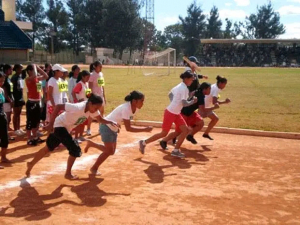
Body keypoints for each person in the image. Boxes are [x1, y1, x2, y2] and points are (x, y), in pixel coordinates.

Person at [25, 94, 118, 180]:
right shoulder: (77, 107)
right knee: (75, 149)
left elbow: (100, 119)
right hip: (59, 125)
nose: (96, 110)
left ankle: (31, 164)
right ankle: (68, 174)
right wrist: (51, 124)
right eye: (95, 107)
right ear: (90, 103)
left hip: (65, 128)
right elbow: (58, 106)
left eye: (98, 108)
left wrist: (110, 122)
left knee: (48, 148)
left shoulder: (92, 110)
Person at [84, 91, 152, 175]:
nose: (143, 103)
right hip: (106, 127)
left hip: (113, 128)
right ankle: (94, 168)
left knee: (111, 151)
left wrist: (118, 125)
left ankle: (92, 144)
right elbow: (129, 128)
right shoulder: (126, 108)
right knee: (109, 151)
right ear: (134, 101)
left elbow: (119, 118)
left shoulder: (135, 108)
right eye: (141, 101)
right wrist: (145, 129)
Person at [139, 71, 197, 158]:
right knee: (163, 133)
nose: (192, 81)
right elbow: (184, 104)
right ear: (186, 79)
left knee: (185, 130)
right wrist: (193, 101)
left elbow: (171, 94)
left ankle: (176, 150)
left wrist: (176, 102)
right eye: (191, 80)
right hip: (170, 113)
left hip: (175, 113)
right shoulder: (184, 88)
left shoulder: (180, 86)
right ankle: (143, 142)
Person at [160, 82, 217, 149]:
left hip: (191, 113)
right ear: (204, 89)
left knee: (200, 123)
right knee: (178, 131)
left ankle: (190, 135)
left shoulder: (197, 91)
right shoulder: (200, 96)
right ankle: (164, 141)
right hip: (184, 113)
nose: (210, 91)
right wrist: (214, 107)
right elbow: (202, 109)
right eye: (209, 89)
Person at [199, 75, 231, 140]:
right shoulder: (216, 89)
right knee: (193, 125)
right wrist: (225, 102)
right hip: (203, 107)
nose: (224, 87)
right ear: (220, 83)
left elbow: (214, 101)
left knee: (215, 119)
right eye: (224, 85)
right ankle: (177, 135)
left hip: (206, 106)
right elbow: (214, 102)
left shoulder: (214, 86)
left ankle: (206, 133)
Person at [25, 64, 48, 146]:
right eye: (33, 70)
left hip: (38, 102)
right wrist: (35, 67)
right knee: (30, 121)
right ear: (29, 71)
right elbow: (34, 75)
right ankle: (29, 139)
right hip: (31, 103)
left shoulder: (37, 79)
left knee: (37, 121)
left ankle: (34, 137)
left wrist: (38, 68)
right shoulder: (28, 79)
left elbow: (46, 76)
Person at [72, 70, 91, 142]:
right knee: (79, 122)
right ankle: (76, 137)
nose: (88, 78)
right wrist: (77, 100)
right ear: (82, 77)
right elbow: (73, 92)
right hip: (80, 106)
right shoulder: (80, 84)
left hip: (86, 105)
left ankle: (81, 135)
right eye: (87, 77)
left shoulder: (87, 84)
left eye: (89, 77)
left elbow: (88, 94)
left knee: (84, 121)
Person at [87, 61, 105, 136]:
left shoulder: (101, 74)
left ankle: (100, 128)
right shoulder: (91, 75)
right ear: (95, 66)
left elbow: (102, 86)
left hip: (100, 96)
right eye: (99, 66)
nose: (101, 68)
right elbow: (89, 86)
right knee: (92, 113)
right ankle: (88, 128)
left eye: (101, 66)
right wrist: (90, 96)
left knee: (101, 112)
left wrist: (104, 95)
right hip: (94, 97)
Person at [11, 64, 26, 136]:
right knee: (15, 113)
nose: (22, 70)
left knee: (19, 113)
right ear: (16, 69)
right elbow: (12, 89)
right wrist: (12, 98)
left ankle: (19, 128)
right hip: (15, 97)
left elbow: (21, 87)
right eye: (20, 68)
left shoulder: (20, 76)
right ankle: (15, 129)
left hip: (20, 97)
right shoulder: (14, 78)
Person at [0, 72, 10, 166]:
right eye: (0, 80)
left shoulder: (1, 90)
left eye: (3, 80)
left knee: (4, 137)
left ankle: (3, 157)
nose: (1, 82)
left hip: (2, 116)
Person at [2, 64, 14, 135]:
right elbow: (5, 92)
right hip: (6, 101)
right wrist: (10, 100)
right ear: (6, 70)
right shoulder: (4, 79)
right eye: (10, 69)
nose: (12, 71)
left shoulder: (9, 79)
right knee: (6, 118)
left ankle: (7, 130)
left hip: (10, 100)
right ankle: (5, 134)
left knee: (9, 118)